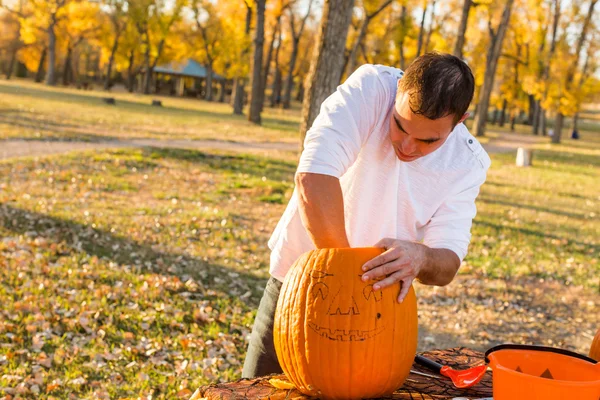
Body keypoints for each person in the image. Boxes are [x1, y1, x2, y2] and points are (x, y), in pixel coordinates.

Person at [242, 52, 491, 378]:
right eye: (400, 126)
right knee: (257, 390)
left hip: (377, 310)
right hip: (299, 284)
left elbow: (448, 262)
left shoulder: (468, 162)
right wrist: (344, 281)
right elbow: (313, 178)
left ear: (460, 121)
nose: (406, 146)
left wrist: (420, 256)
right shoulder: (371, 88)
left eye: (427, 140)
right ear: (399, 88)